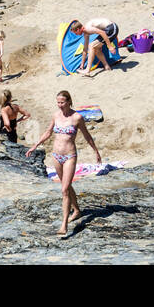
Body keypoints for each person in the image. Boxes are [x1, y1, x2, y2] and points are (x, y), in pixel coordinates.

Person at [26, 90, 102, 237]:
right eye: (58, 102)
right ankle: (77, 210)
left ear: (69, 102)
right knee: (65, 186)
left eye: (62, 102)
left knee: (64, 190)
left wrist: (96, 151)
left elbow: (87, 135)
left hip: (69, 156)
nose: (59, 105)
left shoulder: (77, 117)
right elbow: (48, 132)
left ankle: (64, 224)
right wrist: (35, 145)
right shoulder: (55, 115)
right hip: (56, 156)